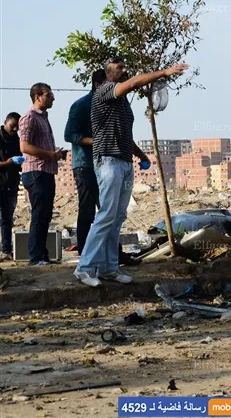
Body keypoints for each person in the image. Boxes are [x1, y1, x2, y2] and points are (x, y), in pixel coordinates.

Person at [74, 57, 189, 287]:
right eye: (119, 68)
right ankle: (84, 268)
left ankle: (109, 268)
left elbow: (125, 134)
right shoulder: (105, 90)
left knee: (117, 217)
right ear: (108, 74)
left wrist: (141, 155)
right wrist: (164, 72)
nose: (124, 70)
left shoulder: (123, 103)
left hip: (124, 162)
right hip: (108, 161)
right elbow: (134, 82)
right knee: (106, 215)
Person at [64, 69, 140, 266]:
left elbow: (123, 135)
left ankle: (113, 256)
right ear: (99, 84)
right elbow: (70, 134)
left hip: (110, 162)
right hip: (87, 164)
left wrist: (141, 155)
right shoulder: (82, 105)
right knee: (89, 211)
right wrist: (96, 141)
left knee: (112, 213)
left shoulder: (117, 104)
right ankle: (86, 257)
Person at [19, 83, 66, 266]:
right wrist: (50, 155)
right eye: (49, 95)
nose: (53, 98)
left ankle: (42, 255)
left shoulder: (43, 118)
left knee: (45, 215)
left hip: (46, 171)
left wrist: (55, 155)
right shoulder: (29, 117)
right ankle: (35, 257)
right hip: (35, 172)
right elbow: (24, 146)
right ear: (37, 97)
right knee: (39, 215)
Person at [0, 112, 24, 261]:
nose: (15, 129)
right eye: (12, 126)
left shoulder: (16, 139)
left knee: (7, 219)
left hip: (11, 184)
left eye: (17, 127)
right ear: (5, 122)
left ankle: (6, 250)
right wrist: (7, 163)